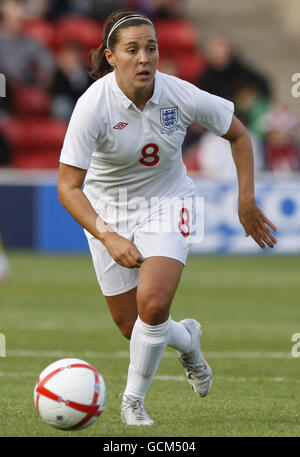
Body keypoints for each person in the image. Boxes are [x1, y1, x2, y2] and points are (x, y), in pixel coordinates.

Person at [57, 10, 278, 426]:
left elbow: (239, 134)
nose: (144, 58)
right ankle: (188, 340)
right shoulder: (92, 107)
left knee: (154, 306)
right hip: (109, 213)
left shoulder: (179, 94)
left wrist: (245, 199)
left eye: (152, 48)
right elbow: (68, 187)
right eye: (132, 49)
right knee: (131, 326)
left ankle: (132, 402)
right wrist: (107, 235)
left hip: (167, 201)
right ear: (110, 56)